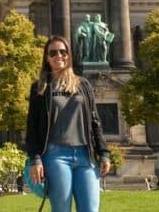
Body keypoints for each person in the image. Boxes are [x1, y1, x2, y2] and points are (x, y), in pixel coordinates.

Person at [25, 35, 111, 212]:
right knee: (62, 209)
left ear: (69, 55)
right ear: (47, 58)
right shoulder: (40, 87)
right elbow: (32, 126)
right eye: (53, 53)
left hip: (85, 155)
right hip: (55, 156)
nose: (59, 56)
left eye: (63, 52)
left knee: (90, 209)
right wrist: (35, 159)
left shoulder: (83, 85)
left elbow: (95, 121)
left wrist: (104, 153)